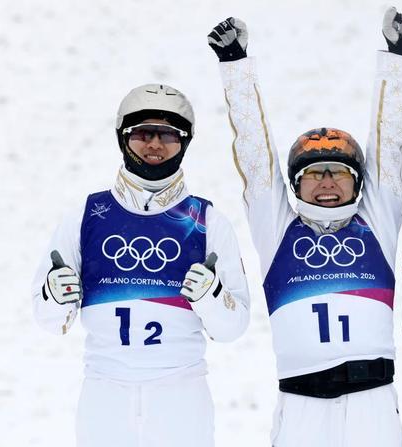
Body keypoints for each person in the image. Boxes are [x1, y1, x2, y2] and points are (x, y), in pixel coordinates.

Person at [207, 8, 402, 447]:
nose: (326, 183)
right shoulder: (276, 229)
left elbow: (389, 140)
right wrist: (235, 65)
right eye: (314, 174)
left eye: (338, 173)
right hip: (301, 406)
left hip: (373, 405)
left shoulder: (377, 221)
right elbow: (255, 153)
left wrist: (398, 57)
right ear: (294, 183)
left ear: (358, 182)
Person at [31, 83, 250, 447]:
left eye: (169, 135)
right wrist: (54, 297)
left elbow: (233, 328)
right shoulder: (86, 215)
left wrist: (211, 296)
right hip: (104, 395)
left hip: (181, 397)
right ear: (123, 138)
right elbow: (48, 321)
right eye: (143, 133)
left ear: (185, 142)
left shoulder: (207, 221)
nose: (155, 145)